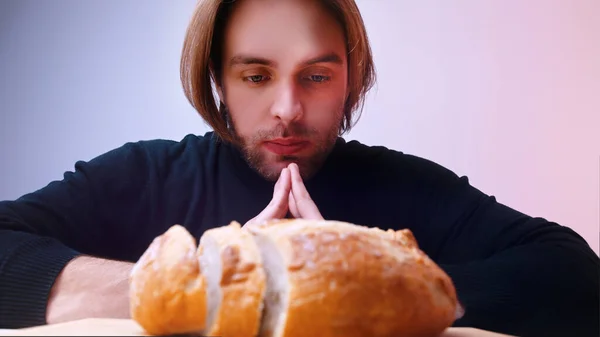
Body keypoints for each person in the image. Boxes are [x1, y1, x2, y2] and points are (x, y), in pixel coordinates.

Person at [0, 0, 597, 336]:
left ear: (350, 81)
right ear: (219, 83)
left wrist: (376, 285)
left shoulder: (406, 186)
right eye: (256, 76)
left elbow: (574, 274)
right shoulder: (147, 174)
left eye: (316, 76)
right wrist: (204, 284)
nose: (287, 109)